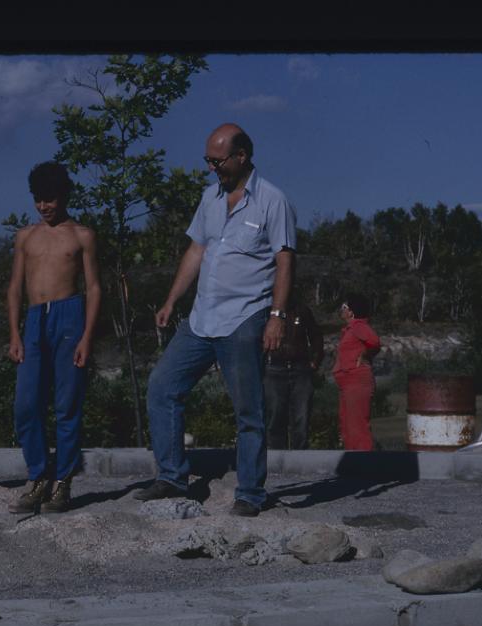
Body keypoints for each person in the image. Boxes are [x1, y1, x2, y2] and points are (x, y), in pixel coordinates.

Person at [135, 123, 296, 517]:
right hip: (202, 316)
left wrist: (276, 317)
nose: (212, 168)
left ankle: (250, 494)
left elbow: (285, 260)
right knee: (162, 386)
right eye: (208, 160)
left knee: (248, 409)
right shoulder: (209, 198)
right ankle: (172, 477)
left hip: (246, 316)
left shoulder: (273, 200)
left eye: (218, 161)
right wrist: (172, 299)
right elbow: (195, 251)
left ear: (242, 156)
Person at [6, 161, 102, 513]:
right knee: (26, 406)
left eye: (50, 200)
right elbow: (15, 287)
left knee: (67, 405)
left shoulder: (82, 236)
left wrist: (87, 337)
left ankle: (62, 482)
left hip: (69, 317)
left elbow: (93, 288)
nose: (44, 207)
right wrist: (14, 333)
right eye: (38, 200)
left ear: (63, 196)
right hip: (34, 320)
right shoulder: (25, 237)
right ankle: (38, 475)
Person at [264, 290, 324, 449]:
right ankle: (276, 458)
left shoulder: (302, 311)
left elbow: (316, 336)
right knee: (275, 415)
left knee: (301, 416)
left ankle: (300, 457)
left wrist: (315, 361)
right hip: (274, 367)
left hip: (300, 368)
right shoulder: (266, 313)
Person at [332, 292, 381, 451]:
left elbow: (374, 342)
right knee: (347, 424)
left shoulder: (358, 326)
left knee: (357, 426)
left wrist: (365, 355)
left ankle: (364, 465)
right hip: (347, 382)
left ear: (351, 311)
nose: (341, 310)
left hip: (356, 381)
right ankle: (353, 462)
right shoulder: (349, 329)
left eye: (344, 307)